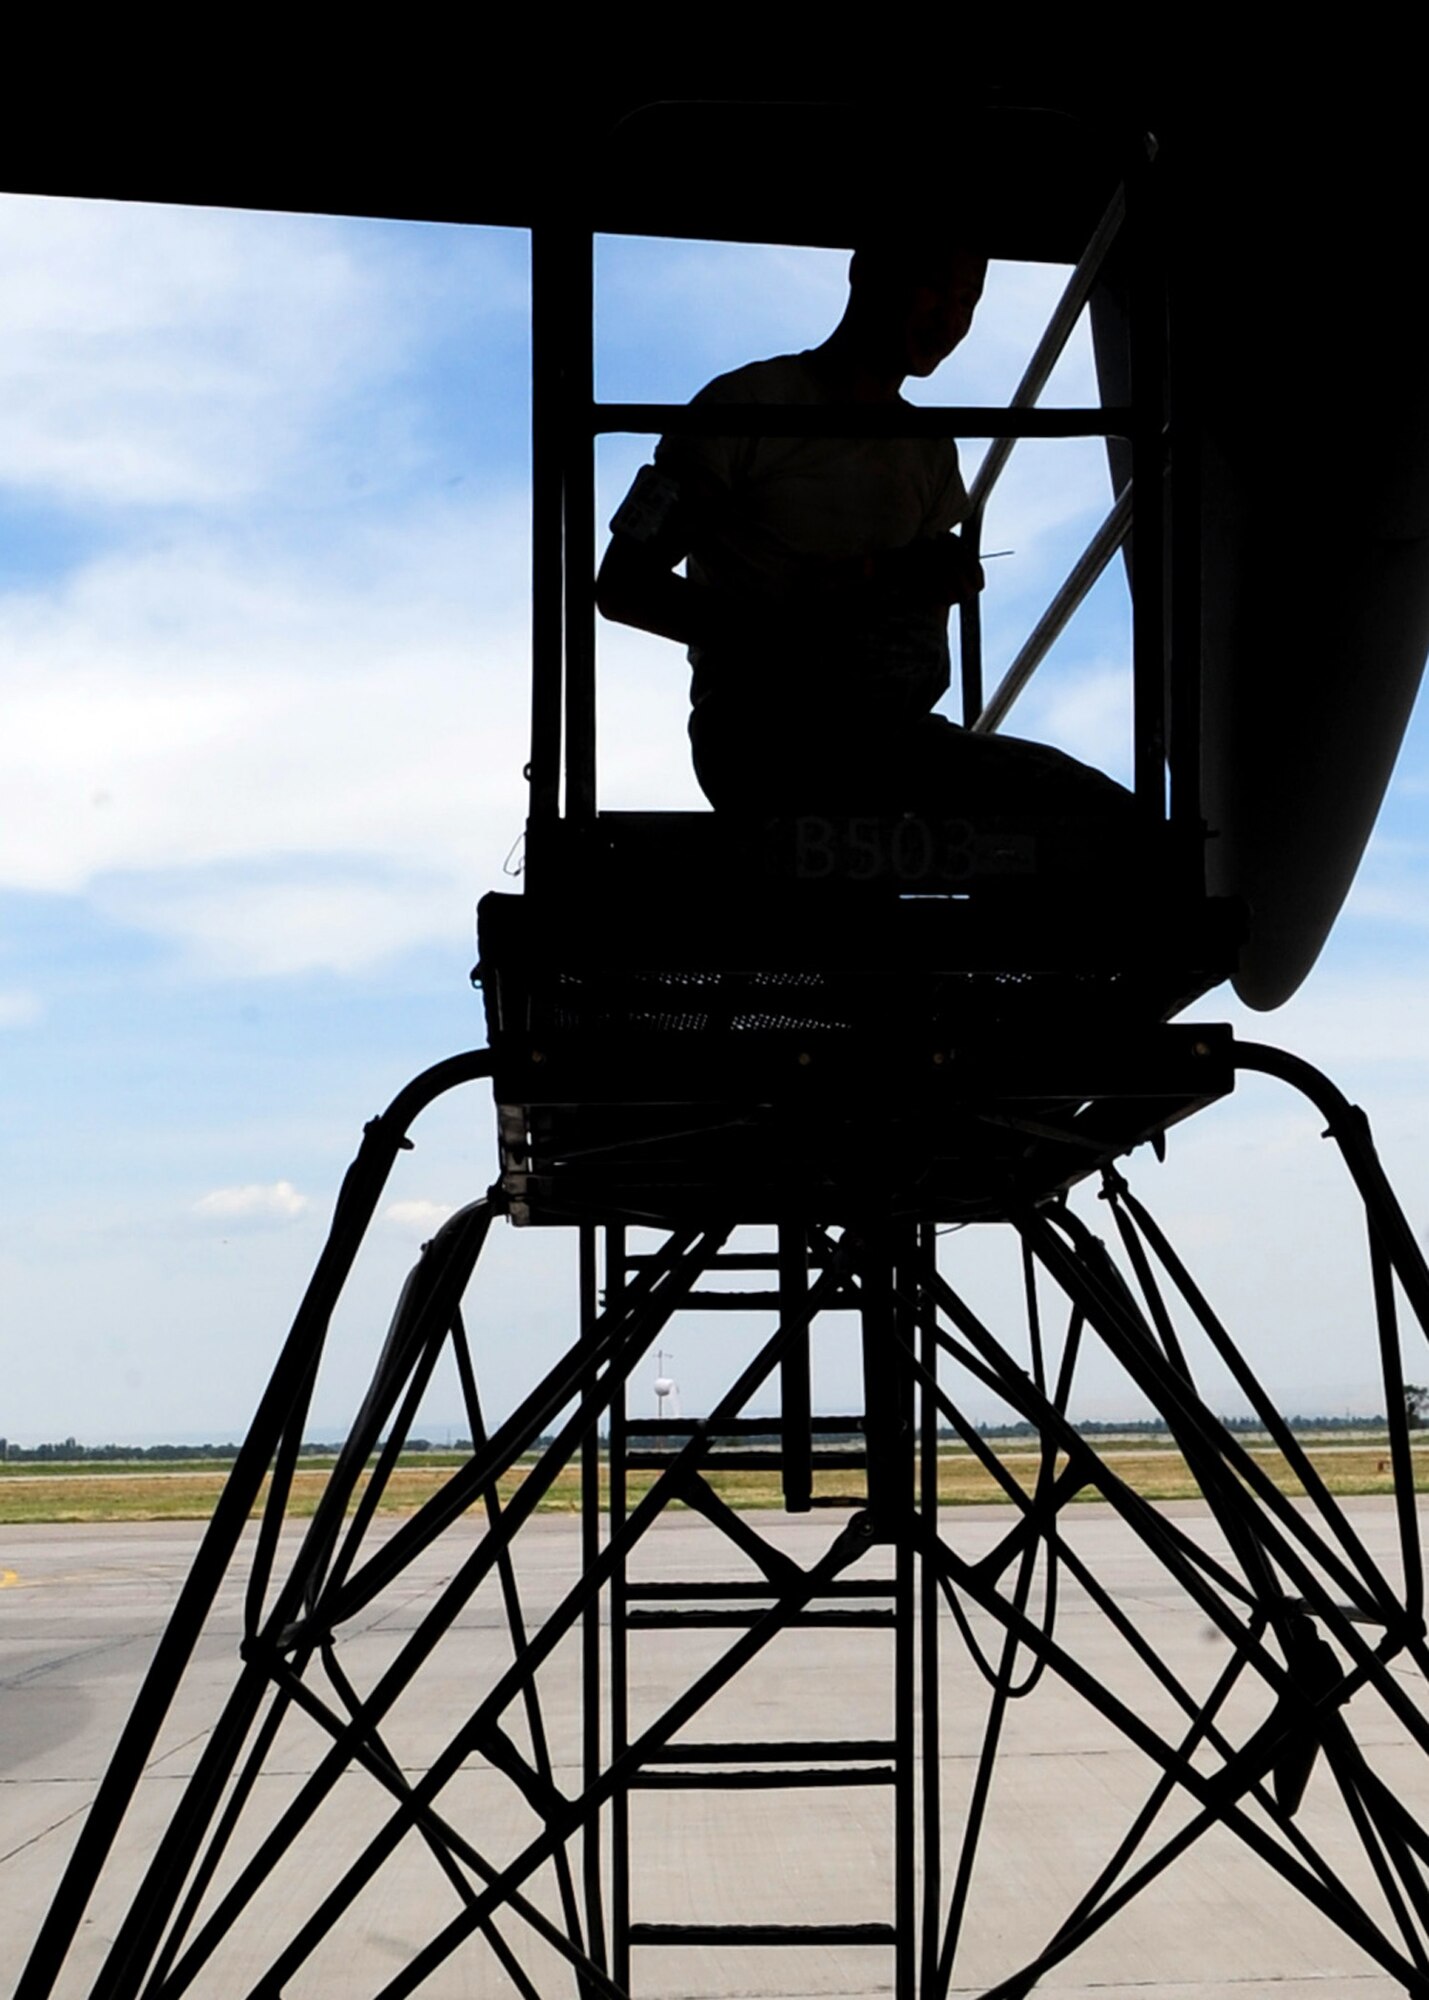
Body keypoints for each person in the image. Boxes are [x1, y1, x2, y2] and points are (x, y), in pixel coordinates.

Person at [596, 236, 1133, 828]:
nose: (951, 320)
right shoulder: (744, 407)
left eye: (968, 302)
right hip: (762, 735)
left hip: (894, 741)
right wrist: (807, 620)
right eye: (935, 289)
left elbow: (921, 643)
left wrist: (927, 588)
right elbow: (624, 586)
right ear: (867, 274)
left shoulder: (929, 452)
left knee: (1116, 827)